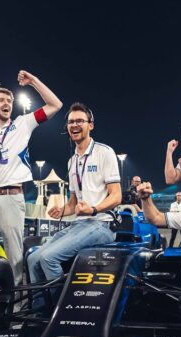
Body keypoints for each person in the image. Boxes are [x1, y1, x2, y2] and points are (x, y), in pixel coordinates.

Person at [27, 103, 121, 307]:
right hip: (80, 225)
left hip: (102, 224)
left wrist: (94, 209)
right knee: (33, 259)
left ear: (91, 125)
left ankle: (61, 309)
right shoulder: (72, 162)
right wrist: (63, 210)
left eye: (80, 121)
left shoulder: (105, 152)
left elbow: (116, 197)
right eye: (71, 122)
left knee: (48, 258)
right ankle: (38, 312)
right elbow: (73, 203)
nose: (74, 125)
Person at [0, 70, 62, 284]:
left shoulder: (23, 123)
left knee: (14, 254)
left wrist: (34, 82)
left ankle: (16, 307)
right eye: (1, 100)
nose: (7, 103)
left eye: (10, 100)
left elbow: (55, 105)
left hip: (12, 196)